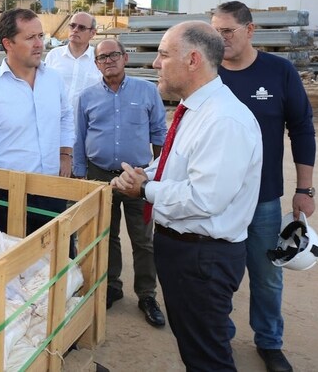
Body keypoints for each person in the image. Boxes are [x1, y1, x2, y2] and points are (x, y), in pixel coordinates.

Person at [111, 21, 263, 371]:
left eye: (163, 55)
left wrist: (144, 189)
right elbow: (176, 165)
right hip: (187, 252)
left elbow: (206, 198)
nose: (154, 64)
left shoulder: (224, 120)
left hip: (202, 259)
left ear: (193, 60)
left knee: (207, 358)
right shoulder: (196, 110)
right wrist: (146, 173)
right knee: (197, 346)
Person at [212, 1, 315, 372]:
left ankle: (269, 342)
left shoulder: (279, 72)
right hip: (216, 200)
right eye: (215, 32)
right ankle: (219, 335)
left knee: (268, 277)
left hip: (263, 200)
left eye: (228, 31)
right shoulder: (207, 73)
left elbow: (302, 127)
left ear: (250, 30)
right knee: (217, 275)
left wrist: (305, 189)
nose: (220, 39)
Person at [73, 39, 167, 327]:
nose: (109, 60)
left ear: (126, 57)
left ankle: (147, 294)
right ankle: (112, 285)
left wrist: (156, 173)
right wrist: (80, 174)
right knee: (106, 235)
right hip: (100, 175)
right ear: (96, 64)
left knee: (143, 239)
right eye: (102, 57)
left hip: (139, 176)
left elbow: (160, 134)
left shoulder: (147, 90)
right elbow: (79, 137)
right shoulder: (86, 97)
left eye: (114, 54)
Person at [0, 8, 74, 237]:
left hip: (52, 189)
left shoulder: (53, 80)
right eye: (30, 38)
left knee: (60, 262)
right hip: (7, 198)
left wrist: (65, 153)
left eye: (40, 36)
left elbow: (65, 116)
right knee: (15, 267)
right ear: (8, 43)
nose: (39, 44)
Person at [44, 11, 103, 107]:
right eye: (72, 26)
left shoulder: (100, 58)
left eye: (81, 27)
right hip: (57, 118)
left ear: (92, 33)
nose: (75, 30)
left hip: (87, 119)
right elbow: (45, 87)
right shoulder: (54, 55)